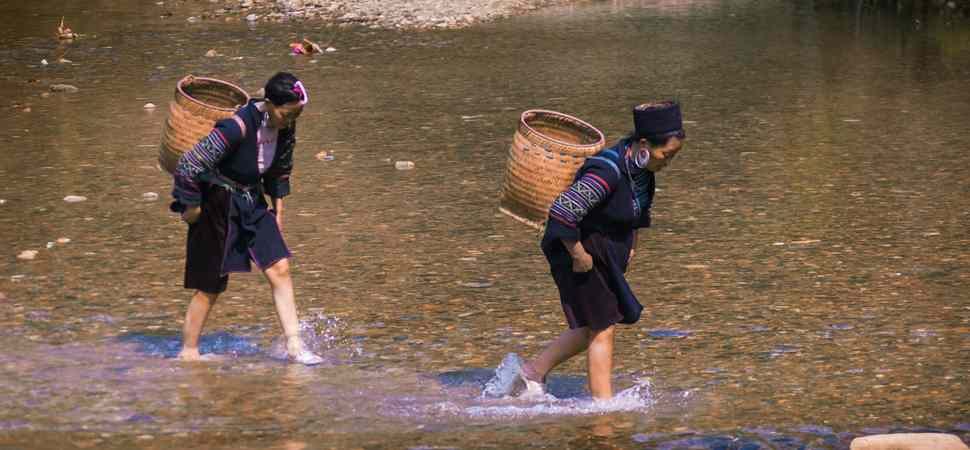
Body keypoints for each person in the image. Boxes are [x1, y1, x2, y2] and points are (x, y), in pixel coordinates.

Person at [484, 101, 686, 399]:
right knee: (603, 328)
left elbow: (640, 213)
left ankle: (530, 375)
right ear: (644, 144)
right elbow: (563, 212)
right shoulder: (607, 170)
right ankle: (602, 409)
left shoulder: (643, 172)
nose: (668, 161)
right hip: (576, 250)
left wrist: (632, 247)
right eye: (666, 154)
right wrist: (579, 255)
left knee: (598, 323)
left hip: (602, 253)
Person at [170, 72, 322, 365]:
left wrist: (278, 211)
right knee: (211, 285)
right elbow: (189, 163)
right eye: (286, 114)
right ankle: (188, 352)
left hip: (253, 200)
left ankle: (295, 346)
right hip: (219, 202)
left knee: (280, 267)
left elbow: (280, 169)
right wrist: (190, 207)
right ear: (269, 103)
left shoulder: (286, 128)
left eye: (296, 115)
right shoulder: (235, 127)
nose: (290, 121)